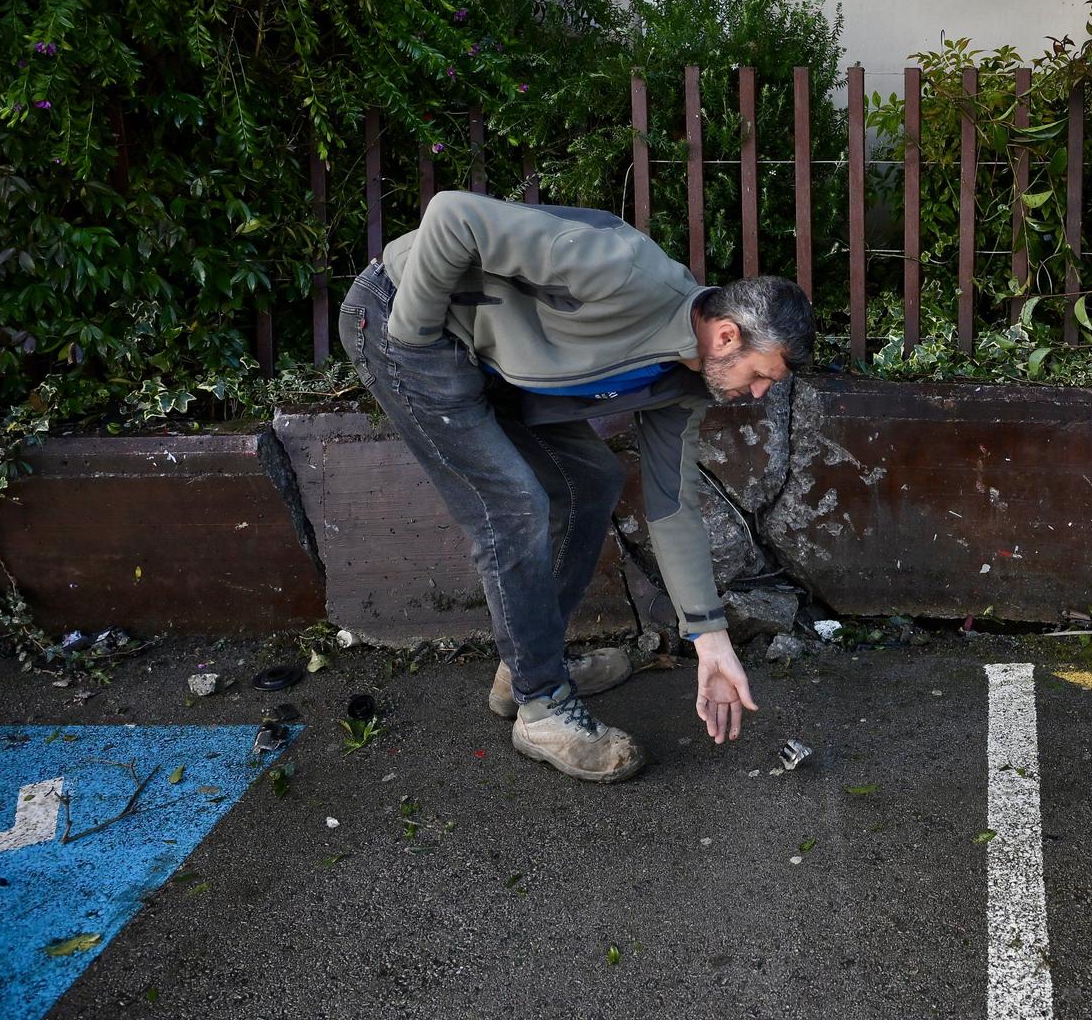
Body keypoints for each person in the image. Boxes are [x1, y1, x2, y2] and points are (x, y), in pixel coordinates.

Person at [339, 189, 814, 783]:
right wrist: (411, 337)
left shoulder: (687, 385)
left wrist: (710, 641)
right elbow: (451, 215)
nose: (760, 394)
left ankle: (527, 666)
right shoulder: (618, 270)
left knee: (593, 479)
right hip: (403, 317)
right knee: (511, 504)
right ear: (725, 337)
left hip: (488, 363)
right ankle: (541, 708)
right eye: (762, 374)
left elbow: (673, 504)